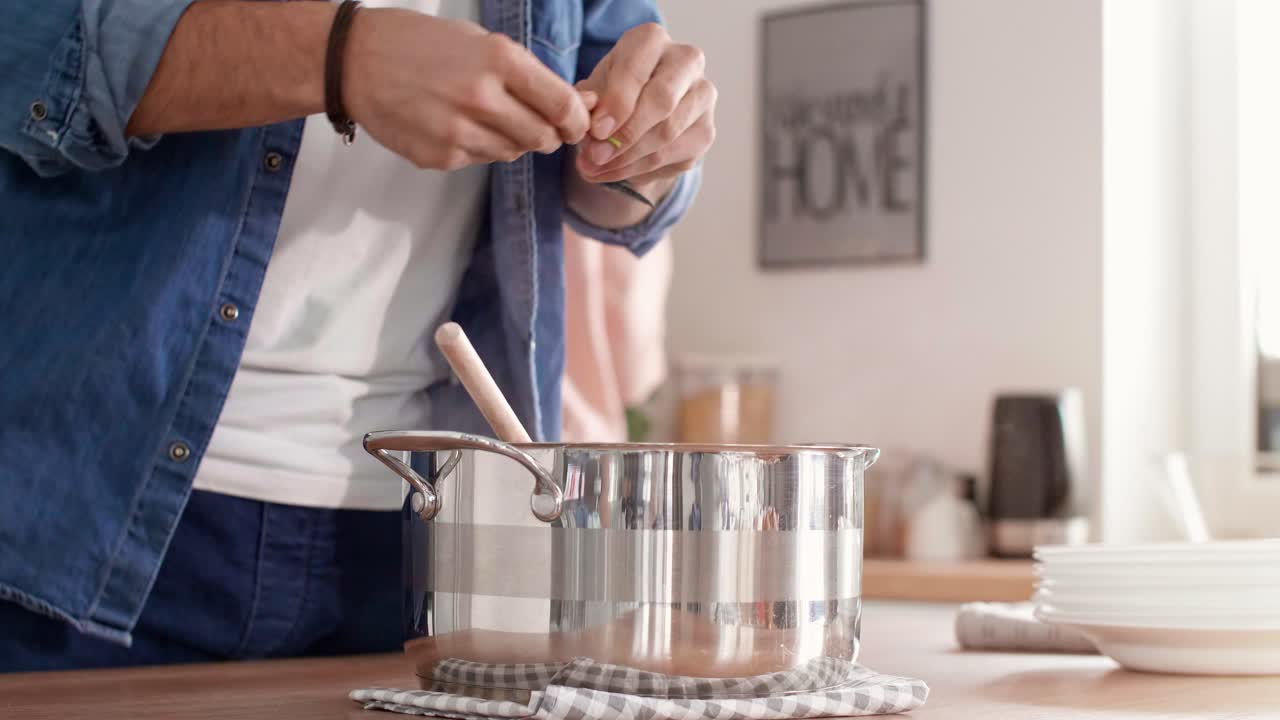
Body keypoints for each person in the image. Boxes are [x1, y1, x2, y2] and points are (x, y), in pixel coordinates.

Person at [0, 0, 714, 671]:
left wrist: (648, 147)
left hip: (423, 531)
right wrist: (342, 55)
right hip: (84, 508)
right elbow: (28, 43)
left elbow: (615, 175)